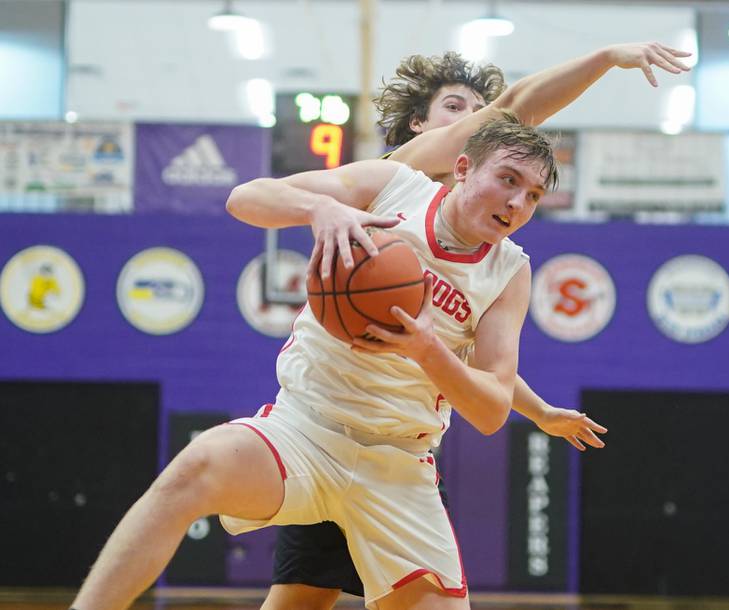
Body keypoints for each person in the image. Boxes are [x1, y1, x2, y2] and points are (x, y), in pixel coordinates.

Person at [264, 41, 690, 610]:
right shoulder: (396, 179)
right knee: (301, 598)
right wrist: (606, 58)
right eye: (457, 109)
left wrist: (536, 409)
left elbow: (473, 362)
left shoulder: (497, 258)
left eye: (479, 111)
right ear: (421, 127)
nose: (476, 121)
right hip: (330, 426)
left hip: (398, 452)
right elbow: (516, 104)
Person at [72, 113, 557, 610]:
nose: (517, 203)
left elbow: (492, 409)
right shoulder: (394, 187)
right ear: (462, 168)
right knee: (194, 469)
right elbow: (244, 198)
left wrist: (427, 350)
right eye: (508, 180)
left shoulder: (509, 272)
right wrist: (320, 208)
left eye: (533, 196)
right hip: (305, 430)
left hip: (398, 464)